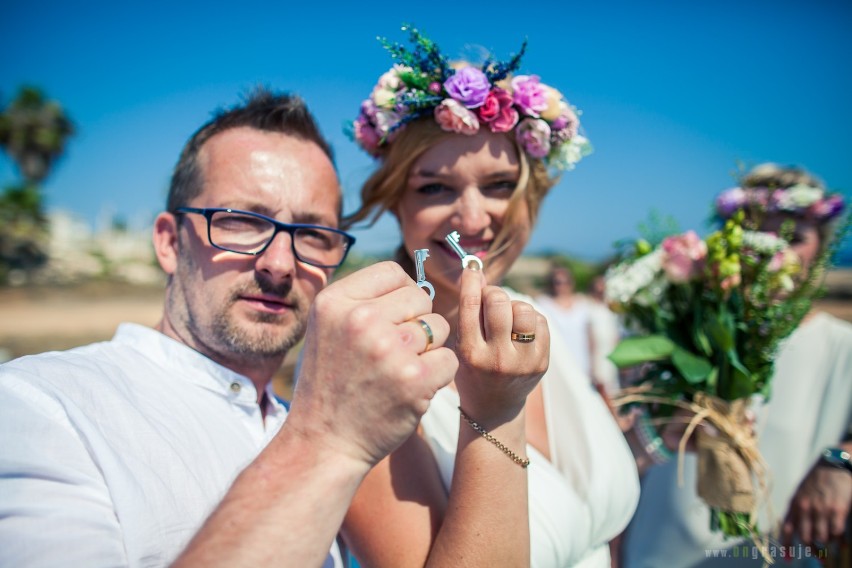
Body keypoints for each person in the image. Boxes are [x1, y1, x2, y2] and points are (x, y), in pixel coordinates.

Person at [0, 88, 461, 567]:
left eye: (312, 234)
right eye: (241, 222)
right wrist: (326, 438)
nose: (280, 264)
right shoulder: (41, 405)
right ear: (168, 242)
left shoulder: (308, 419)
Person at [341, 26, 640, 567]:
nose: (473, 219)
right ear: (395, 203)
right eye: (434, 188)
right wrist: (493, 411)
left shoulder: (536, 323)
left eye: (499, 185)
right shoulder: (371, 368)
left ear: (531, 198)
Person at [622, 163, 852, 567]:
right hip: (659, 547)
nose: (773, 251)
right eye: (756, 235)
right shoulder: (682, 323)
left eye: (793, 238)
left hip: (775, 551)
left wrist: (842, 462)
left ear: (821, 248)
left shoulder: (841, 346)